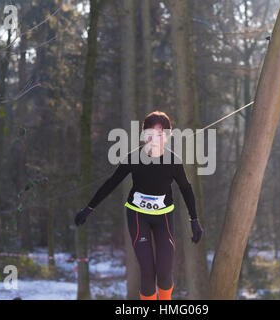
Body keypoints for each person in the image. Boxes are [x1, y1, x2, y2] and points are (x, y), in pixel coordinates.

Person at [74, 110, 203, 300]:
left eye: (160, 134)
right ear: (144, 136)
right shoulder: (134, 158)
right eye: (150, 134)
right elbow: (111, 183)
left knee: (165, 273)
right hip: (137, 215)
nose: (155, 138)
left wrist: (194, 220)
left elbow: (186, 188)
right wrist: (89, 208)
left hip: (164, 217)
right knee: (148, 272)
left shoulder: (173, 161)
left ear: (167, 136)